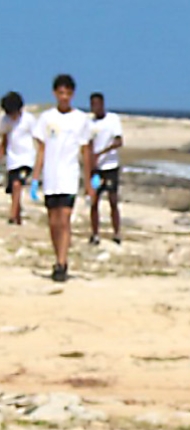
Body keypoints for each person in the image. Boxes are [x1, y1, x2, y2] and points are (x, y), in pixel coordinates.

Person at [31, 74, 93, 282]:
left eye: (67, 93)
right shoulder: (47, 118)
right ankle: (56, 255)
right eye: (60, 93)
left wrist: (89, 181)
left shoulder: (81, 119)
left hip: (69, 176)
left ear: (72, 94)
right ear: (55, 93)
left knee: (65, 219)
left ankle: (62, 262)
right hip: (50, 177)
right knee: (53, 221)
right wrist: (35, 177)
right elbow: (41, 149)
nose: (64, 96)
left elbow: (85, 151)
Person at [87, 92, 123, 245]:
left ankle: (117, 233)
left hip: (110, 167)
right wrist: (90, 162)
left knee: (112, 200)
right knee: (94, 201)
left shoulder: (113, 119)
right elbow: (88, 144)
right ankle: (95, 234)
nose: (95, 107)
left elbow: (119, 141)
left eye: (98, 104)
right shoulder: (89, 124)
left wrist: (101, 153)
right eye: (93, 104)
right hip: (96, 169)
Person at [0, 92, 36, 225]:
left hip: (27, 159)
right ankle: (18, 217)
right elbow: (4, 141)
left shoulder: (29, 119)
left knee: (17, 185)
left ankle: (12, 216)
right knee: (13, 189)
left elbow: (37, 138)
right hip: (12, 160)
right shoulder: (5, 121)